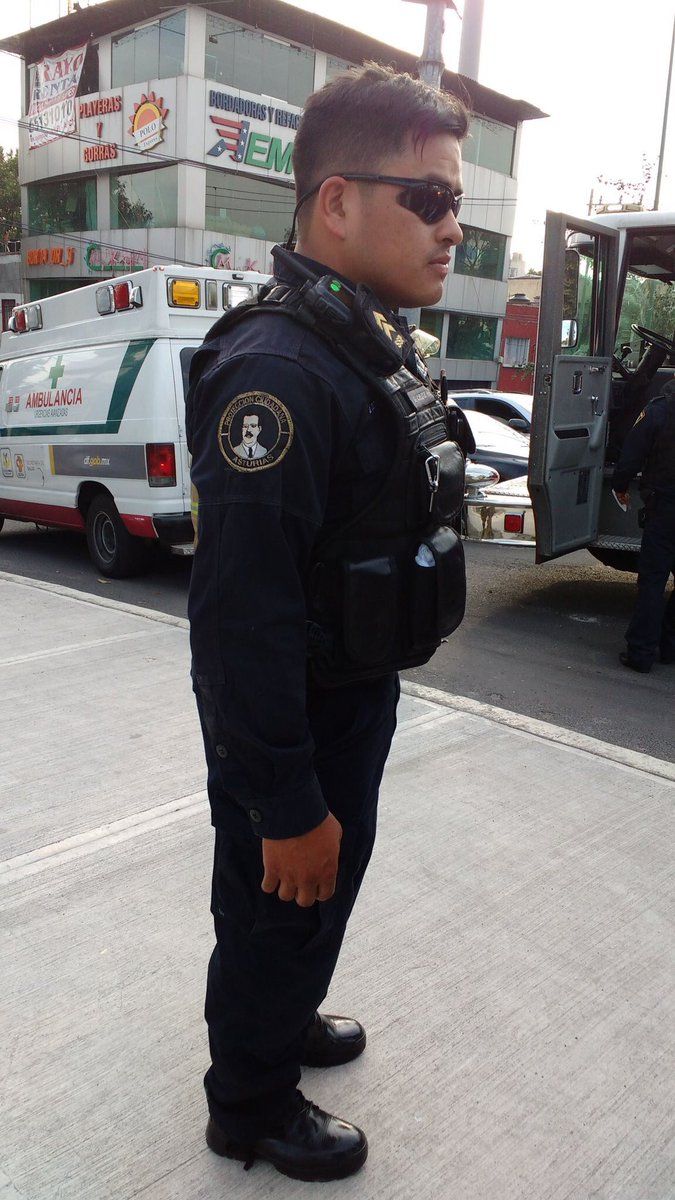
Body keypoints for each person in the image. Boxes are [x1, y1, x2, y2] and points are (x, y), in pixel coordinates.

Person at [186, 63, 469, 1182]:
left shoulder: (360, 340)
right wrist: (285, 798)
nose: (453, 228)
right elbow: (239, 621)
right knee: (280, 894)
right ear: (337, 201)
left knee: (313, 898)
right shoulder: (279, 369)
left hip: (350, 688)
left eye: (457, 202)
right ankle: (248, 1105)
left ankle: (280, 1013)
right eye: (430, 198)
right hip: (293, 711)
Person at [612, 379, 675, 672]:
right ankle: (669, 647)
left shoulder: (659, 410)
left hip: (665, 508)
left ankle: (641, 652)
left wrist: (620, 484)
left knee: (653, 581)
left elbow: (632, 452)